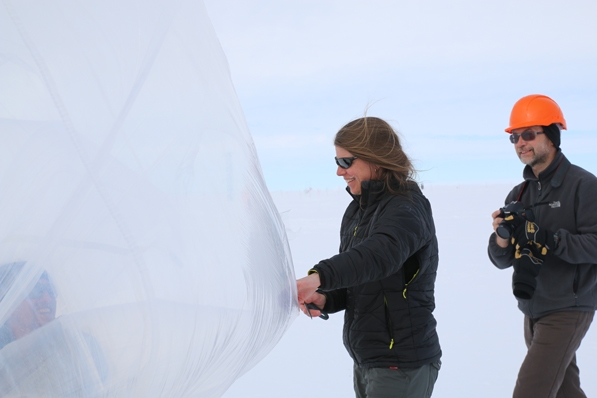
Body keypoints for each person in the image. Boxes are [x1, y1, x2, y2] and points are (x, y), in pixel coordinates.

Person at [296, 117, 441, 398]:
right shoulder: (358, 211)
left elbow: (379, 254)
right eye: (336, 162)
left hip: (401, 364)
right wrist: (327, 297)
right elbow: (363, 280)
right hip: (369, 361)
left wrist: (319, 276)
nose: (339, 171)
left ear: (377, 159)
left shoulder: (407, 207)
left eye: (347, 162)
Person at [488, 94, 597, 397]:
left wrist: (550, 239)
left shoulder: (583, 186)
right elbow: (500, 259)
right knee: (564, 391)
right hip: (533, 307)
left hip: (568, 306)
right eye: (514, 137)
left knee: (531, 391)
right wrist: (502, 235)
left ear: (551, 135)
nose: (520, 143)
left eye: (528, 134)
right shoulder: (519, 193)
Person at [0, 262, 57, 350]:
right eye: (36, 291)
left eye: (51, 291)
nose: (47, 299)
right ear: (9, 301)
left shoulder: (72, 341)